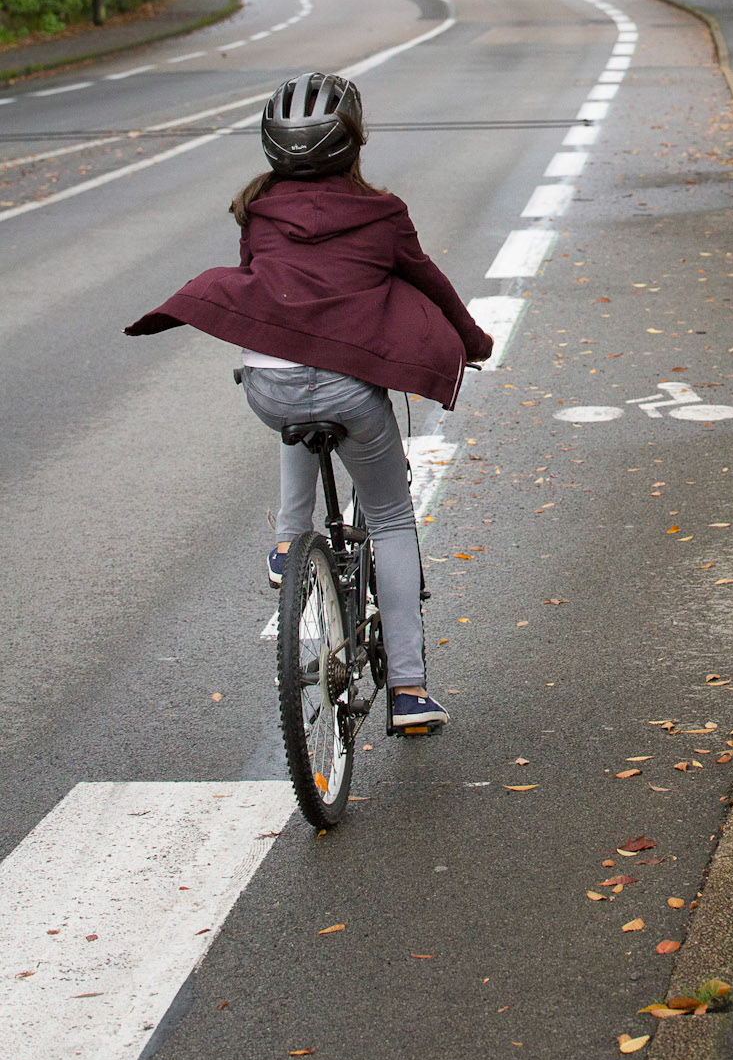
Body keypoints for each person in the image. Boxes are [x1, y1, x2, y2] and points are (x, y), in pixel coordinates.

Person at [126, 71, 493, 733]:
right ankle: (409, 689)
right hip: (348, 388)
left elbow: (262, 287)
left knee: (296, 414)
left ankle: (287, 542)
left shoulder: (257, 207)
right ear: (353, 143)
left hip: (269, 385)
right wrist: (471, 341)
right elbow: (427, 281)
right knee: (388, 518)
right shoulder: (383, 214)